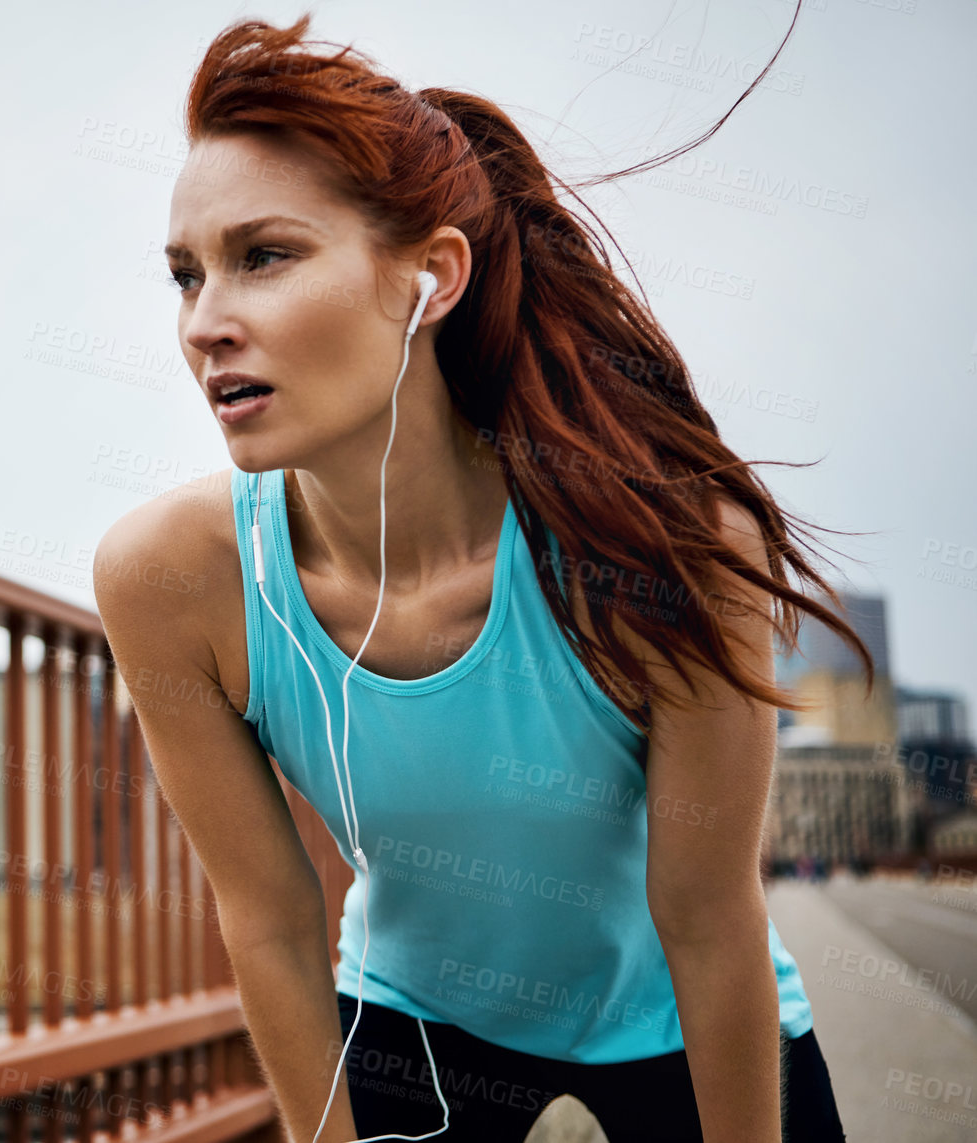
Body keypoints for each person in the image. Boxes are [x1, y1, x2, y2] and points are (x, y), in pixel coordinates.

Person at [91, 7, 869, 1142]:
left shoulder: (650, 546)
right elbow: (264, 916)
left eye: (262, 256)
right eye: (184, 275)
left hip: (677, 1010)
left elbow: (704, 919)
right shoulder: (170, 579)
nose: (205, 322)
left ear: (429, 279)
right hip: (414, 1014)